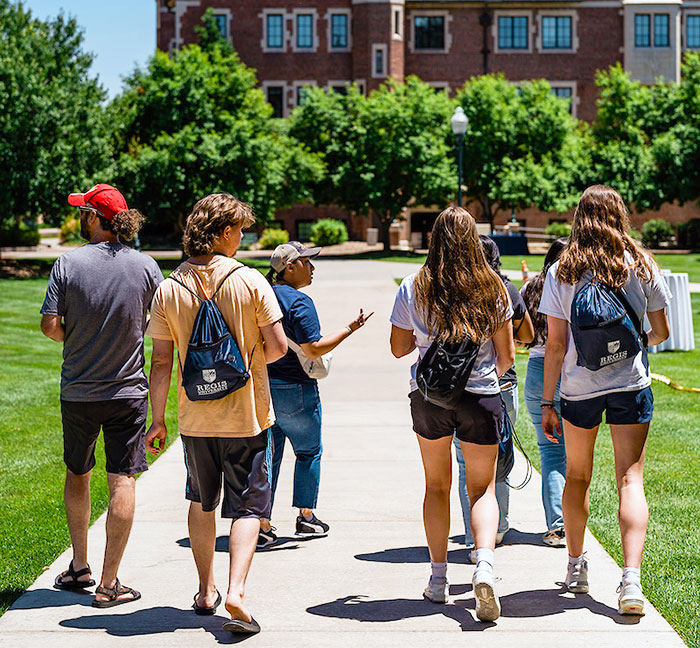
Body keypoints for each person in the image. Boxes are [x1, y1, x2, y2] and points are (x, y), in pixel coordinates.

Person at [145, 193, 287, 635]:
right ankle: (236, 592)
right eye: (240, 230)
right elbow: (280, 347)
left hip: (195, 419)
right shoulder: (250, 282)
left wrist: (158, 419)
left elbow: (163, 361)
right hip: (246, 415)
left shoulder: (170, 287)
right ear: (224, 232)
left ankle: (204, 590)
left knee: (200, 500)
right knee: (247, 506)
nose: (243, 238)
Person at [539, 185, 670, 616]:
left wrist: (547, 403)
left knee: (577, 477)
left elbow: (554, 345)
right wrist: (631, 348)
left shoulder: (562, 270)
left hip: (578, 389)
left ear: (579, 218)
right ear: (620, 216)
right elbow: (662, 331)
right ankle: (630, 581)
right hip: (631, 384)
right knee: (630, 479)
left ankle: (576, 567)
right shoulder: (641, 263)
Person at [40, 184, 163, 607]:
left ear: (94, 217)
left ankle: (79, 566)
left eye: (83, 211)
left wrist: (76, 337)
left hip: (78, 390)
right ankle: (109, 585)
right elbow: (155, 323)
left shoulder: (67, 264)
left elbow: (50, 326)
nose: (80, 217)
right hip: (128, 391)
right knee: (122, 479)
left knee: (78, 473)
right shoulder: (147, 267)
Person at [390, 207, 515, 622]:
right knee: (481, 489)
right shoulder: (491, 286)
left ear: (434, 239)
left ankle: (438, 580)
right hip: (481, 397)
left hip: (430, 399)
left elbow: (398, 348)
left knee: (436, 485)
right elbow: (507, 357)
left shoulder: (414, 285)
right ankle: (483, 568)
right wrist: (480, 380)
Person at [259, 241, 372, 548]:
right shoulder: (300, 302)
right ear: (289, 267)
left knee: (269, 456)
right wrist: (350, 329)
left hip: (264, 388)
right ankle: (306, 517)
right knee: (308, 453)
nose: (312, 268)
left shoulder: (261, 295)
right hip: (297, 389)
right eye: (307, 262)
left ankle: (262, 524)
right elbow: (313, 348)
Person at [453, 235, 533, 559]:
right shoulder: (505, 288)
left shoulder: (458, 288)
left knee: (465, 466)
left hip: (460, 388)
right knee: (498, 459)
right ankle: (498, 529)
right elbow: (526, 335)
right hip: (502, 386)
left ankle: (476, 538)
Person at [521, 238, 568, 547]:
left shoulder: (530, 288)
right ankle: (568, 524)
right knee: (573, 454)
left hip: (536, 370)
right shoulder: (574, 285)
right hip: (571, 370)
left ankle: (557, 525)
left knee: (549, 451)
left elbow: (520, 334)